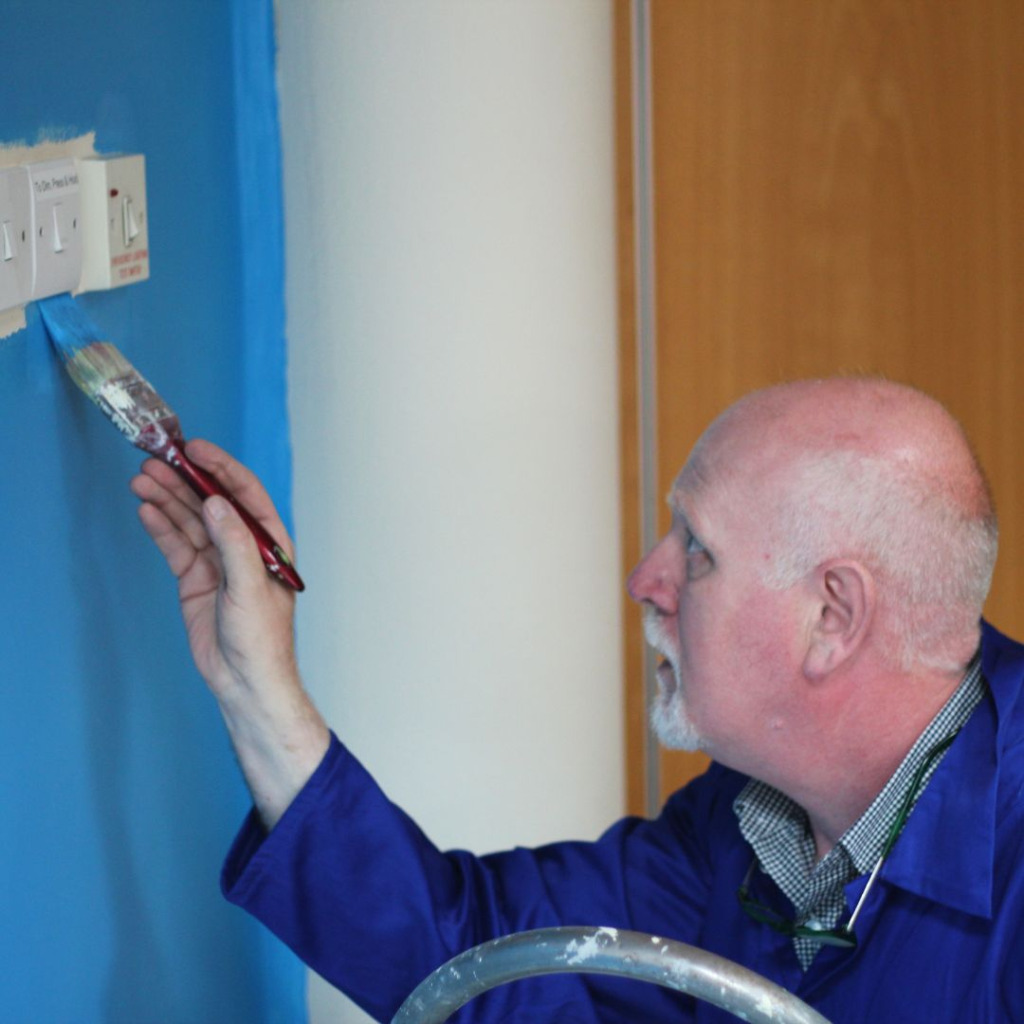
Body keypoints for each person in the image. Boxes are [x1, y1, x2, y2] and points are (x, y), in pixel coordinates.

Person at [131, 377, 1024, 1022]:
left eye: (697, 549)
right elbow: (481, 962)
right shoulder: (743, 828)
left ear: (832, 616)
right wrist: (260, 688)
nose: (647, 579)